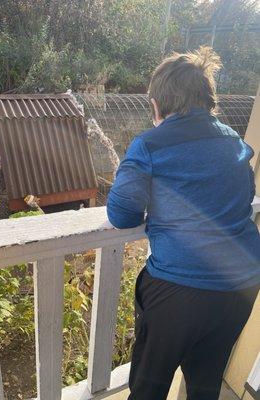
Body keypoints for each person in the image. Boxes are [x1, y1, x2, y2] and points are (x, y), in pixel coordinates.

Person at [106, 47, 260, 400]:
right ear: (209, 100)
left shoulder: (150, 144)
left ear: (158, 103)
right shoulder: (234, 141)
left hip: (179, 289)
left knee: (149, 384)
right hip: (242, 284)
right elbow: (241, 197)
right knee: (206, 380)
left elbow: (122, 215)